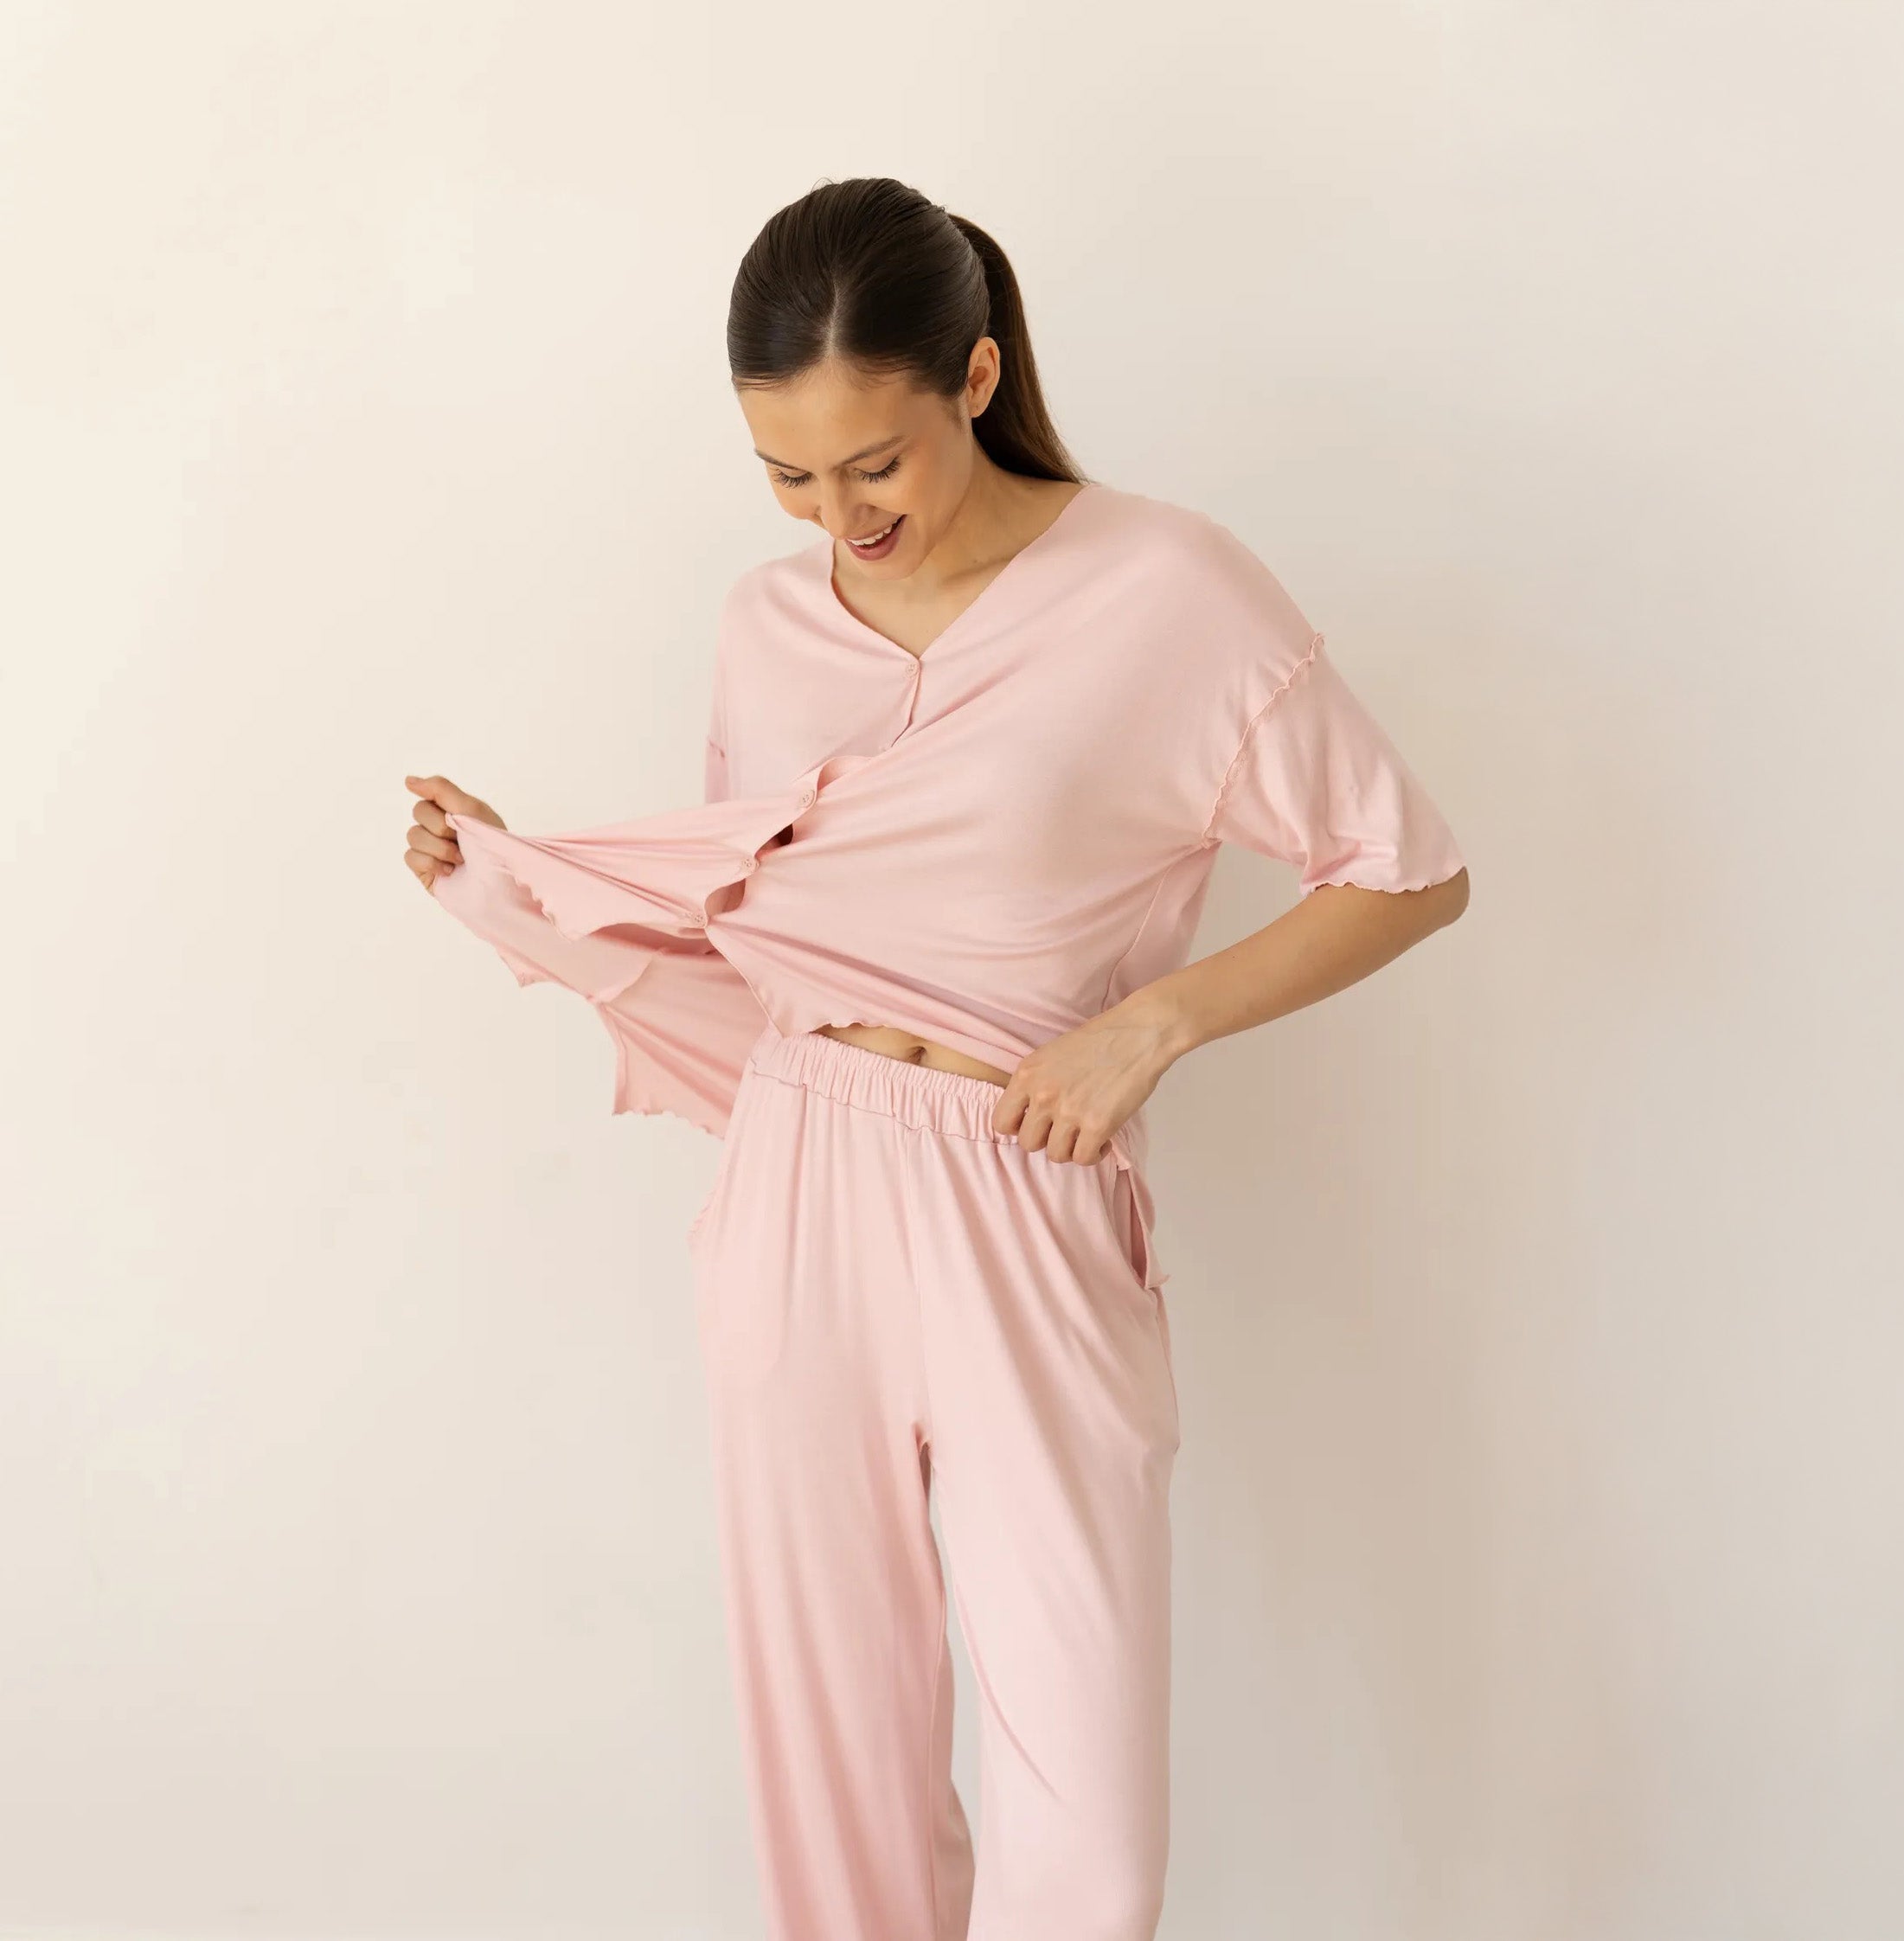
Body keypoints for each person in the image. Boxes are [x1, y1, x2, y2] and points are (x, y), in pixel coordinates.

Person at [401, 176, 1469, 1941]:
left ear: (975, 378)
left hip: (1023, 1181)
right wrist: (518, 886)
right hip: (798, 1180)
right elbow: (755, 942)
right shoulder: (765, 625)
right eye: (787, 477)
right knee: (833, 1761)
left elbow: (1407, 872)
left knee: (1082, 1803)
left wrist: (1153, 1022)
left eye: (874, 464)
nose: (839, 516)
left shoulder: (1168, 589)